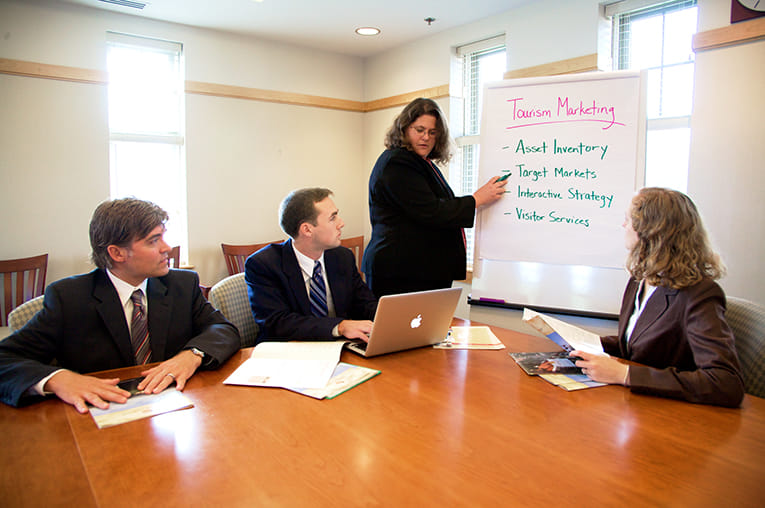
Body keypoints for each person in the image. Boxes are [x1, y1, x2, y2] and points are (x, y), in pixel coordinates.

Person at [0, 198, 240, 412]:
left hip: (176, 410)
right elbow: (6, 358)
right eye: (153, 240)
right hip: (101, 417)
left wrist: (192, 355)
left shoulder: (181, 284)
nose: (167, 248)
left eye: (163, 237)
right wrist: (58, 379)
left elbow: (223, 330)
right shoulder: (68, 298)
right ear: (116, 253)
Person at [572, 187, 745, 407]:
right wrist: (589, 344)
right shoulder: (640, 278)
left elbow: (725, 383)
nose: (623, 226)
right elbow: (638, 344)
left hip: (673, 414)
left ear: (649, 230)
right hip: (635, 406)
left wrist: (625, 375)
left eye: (628, 220)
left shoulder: (699, 293)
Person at [362, 97, 507, 298]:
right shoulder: (398, 163)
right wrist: (476, 200)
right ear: (404, 129)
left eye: (432, 132)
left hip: (418, 270)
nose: (426, 138)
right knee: (399, 329)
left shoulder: (419, 162)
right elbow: (431, 210)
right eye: (419, 130)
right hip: (401, 272)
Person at [245, 188, 378, 342]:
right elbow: (277, 323)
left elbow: (364, 303)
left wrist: (389, 319)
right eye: (332, 218)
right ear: (307, 229)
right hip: (288, 354)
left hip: (340, 349)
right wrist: (339, 326)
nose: (341, 223)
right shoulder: (263, 265)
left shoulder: (342, 257)